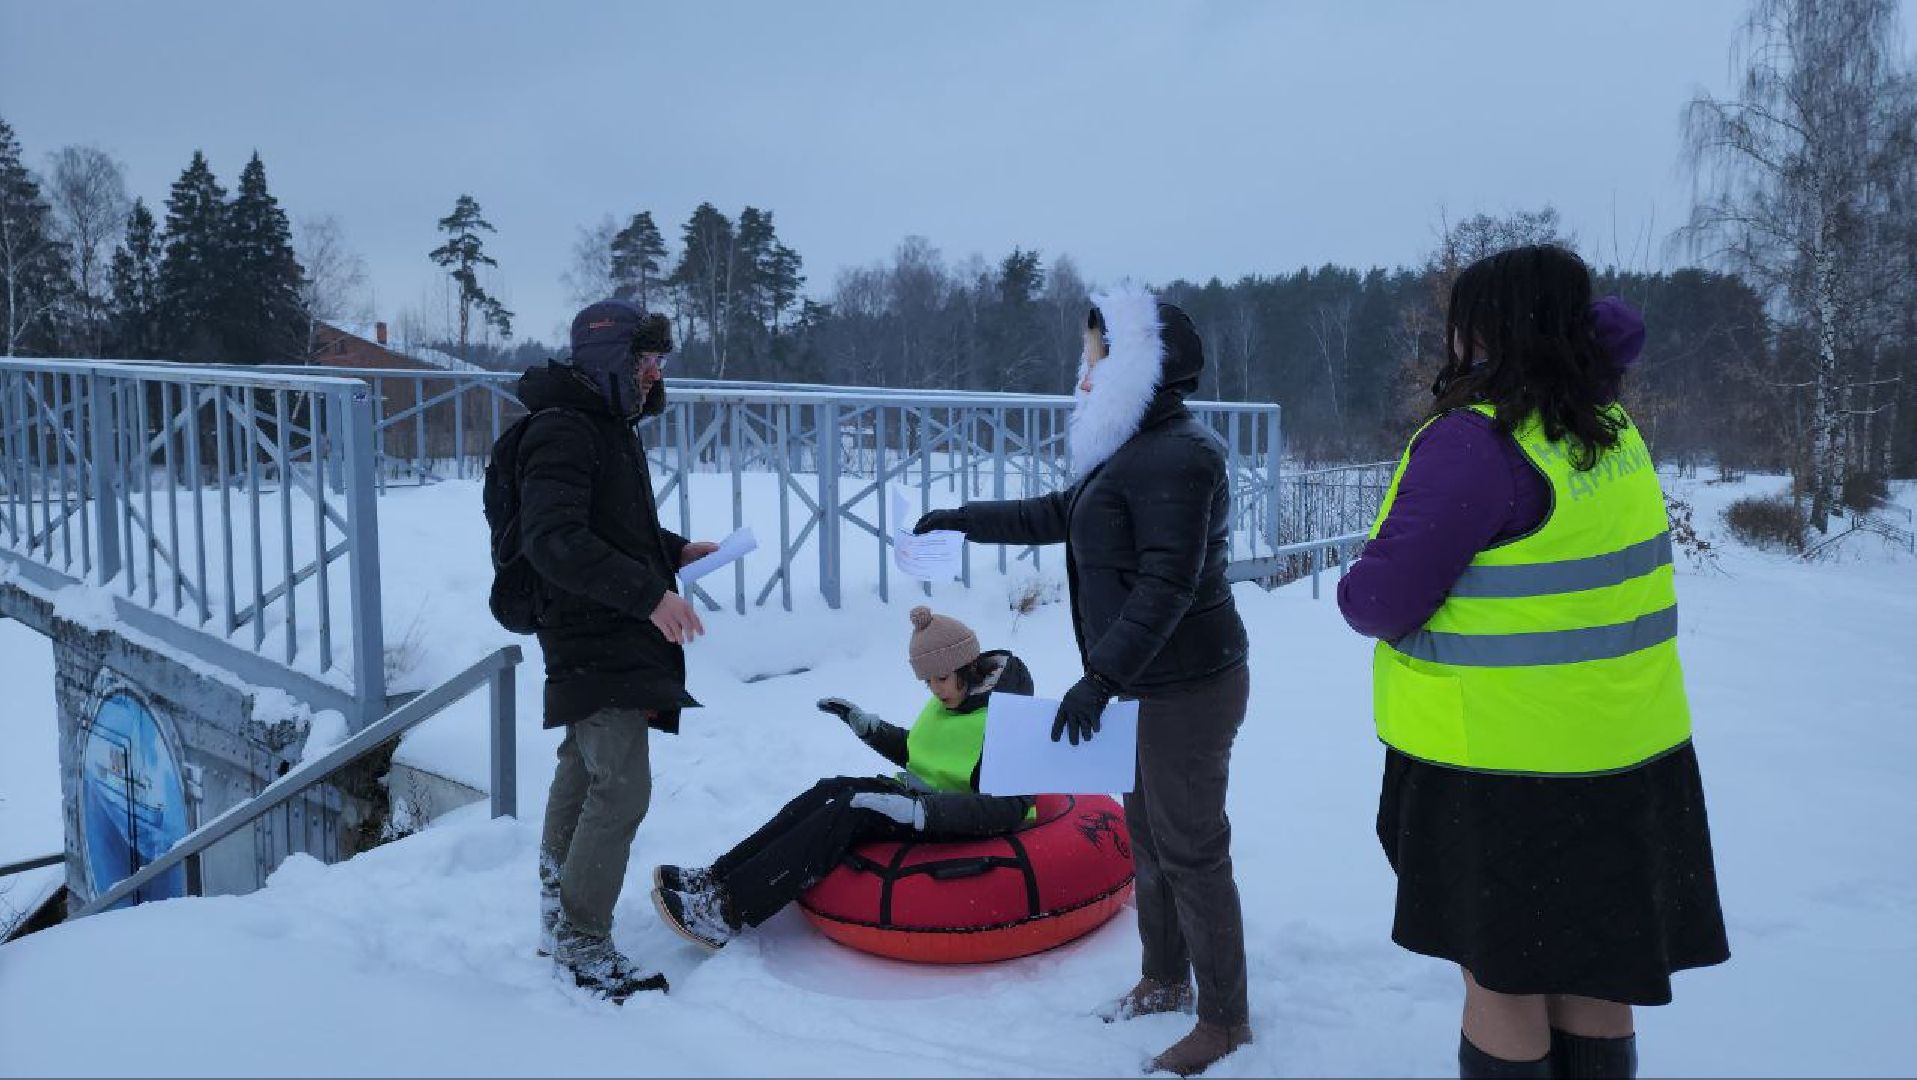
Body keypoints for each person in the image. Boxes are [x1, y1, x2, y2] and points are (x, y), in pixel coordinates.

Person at [1337, 246, 1730, 1078]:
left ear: (1485, 329)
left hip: (1499, 770)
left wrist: (1364, 569)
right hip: (1628, 755)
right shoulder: (1609, 430)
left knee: (1502, 978)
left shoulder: (1475, 444)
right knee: (1592, 965)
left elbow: (1377, 602)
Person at [915, 284, 1253, 1078]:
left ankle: (1225, 1020)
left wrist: (1099, 678)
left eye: (1098, 352)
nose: (1084, 368)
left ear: (1142, 363)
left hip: (1186, 685)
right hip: (1140, 678)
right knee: (1149, 839)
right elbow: (1054, 514)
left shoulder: (1180, 455)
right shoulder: (1131, 449)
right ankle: (1163, 977)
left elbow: (1167, 586)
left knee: (1191, 850)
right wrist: (962, 516)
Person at [492, 299, 718, 1001]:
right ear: (608, 359)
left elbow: (608, 524)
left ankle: (560, 921)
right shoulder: (565, 430)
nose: (654, 374)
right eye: (644, 360)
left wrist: (671, 551)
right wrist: (650, 595)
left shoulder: (603, 425)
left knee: (583, 770)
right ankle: (583, 943)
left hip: (601, 619)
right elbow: (554, 540)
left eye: (659, 362)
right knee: (619, 785)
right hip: (588, 625)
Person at [649, 606, 1037, 948]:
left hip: (954, 818)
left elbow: (1009, 807)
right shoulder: (957, 699)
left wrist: (921, 813)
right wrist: (869, 728)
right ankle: (717, 877)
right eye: (927, 682)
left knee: (845, 814)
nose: (934, 691)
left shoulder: (1007, 720)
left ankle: (726, 910)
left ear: (967, 666)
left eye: (940, 679)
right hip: (919, 798)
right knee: (830, 791)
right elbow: (927, 754)